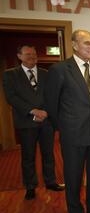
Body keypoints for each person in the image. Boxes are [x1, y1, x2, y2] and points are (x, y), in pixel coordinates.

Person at [44, 30, 90, 213]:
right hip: (72, 135)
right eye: (87, 43)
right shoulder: (60, 69)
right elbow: (51, 105)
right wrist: (64, 128)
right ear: (74, 45)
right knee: (73, 177)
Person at [3, 45, 64, 200]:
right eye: (28, 54)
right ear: (19, 56)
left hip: (46, 121)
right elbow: (11, 97)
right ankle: (30, 186)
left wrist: (45, 112)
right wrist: (33, 111)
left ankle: (51, 181)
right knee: (28, 156)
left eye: (34, 54)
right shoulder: (10, 74)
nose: (32, 56)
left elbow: (52, 95)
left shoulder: (46, 73)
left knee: (48, 154)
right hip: (26, 121)